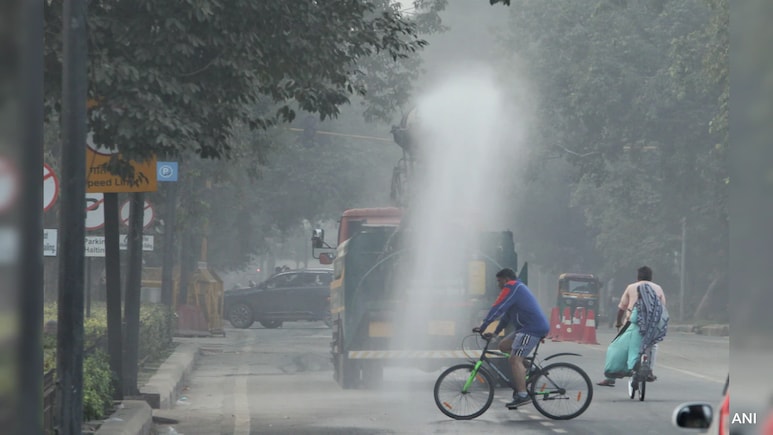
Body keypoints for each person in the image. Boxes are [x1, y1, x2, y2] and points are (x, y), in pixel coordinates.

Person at [474, 268, 550, 408]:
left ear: (506, 279)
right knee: (503, 346)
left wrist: (484, 326)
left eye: (499, 281)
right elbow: (506, 316)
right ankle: (532, 369)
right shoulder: (516, 290)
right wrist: (495, 333)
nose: (498, 285)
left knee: (515, 360)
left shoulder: (513, 287)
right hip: (525, 328)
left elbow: (498, 307)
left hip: (532, 329)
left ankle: (522, 395)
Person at [598, 265, 667, 386]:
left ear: (638, 277)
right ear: (651, 277)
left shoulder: (631, 287)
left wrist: (618, 322)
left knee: (619, 347)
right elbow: (662, 308)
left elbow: (621, 308)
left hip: (631, 324)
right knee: (653, 346)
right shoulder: (658, 288)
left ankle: (611, 377)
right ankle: (650, 371)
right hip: (652, 326)